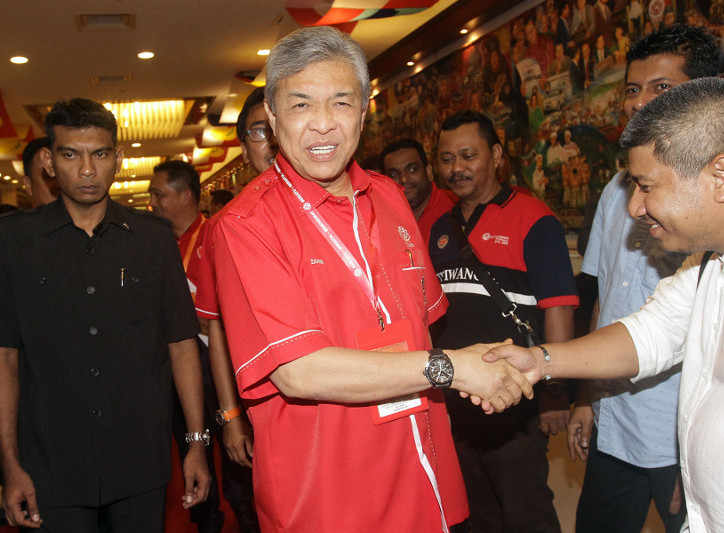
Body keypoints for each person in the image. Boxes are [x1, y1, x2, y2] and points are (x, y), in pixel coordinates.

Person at [209, 26, 529, 533]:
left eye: (340, 102)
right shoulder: (244, 227)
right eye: (300, 106)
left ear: (363, 111)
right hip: (331, 502)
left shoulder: (389, 197)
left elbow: (424, 327)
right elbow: (300, 372)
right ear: (271, 118)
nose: (322, 126)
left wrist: (483, 367)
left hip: (428, 479)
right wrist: (454, 369)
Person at [484, 76, 724, 533]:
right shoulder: (708, 259)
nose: (636, 207)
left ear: (721, 177)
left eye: (646, 185)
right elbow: (651, 333)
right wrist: (540, 361)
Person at [0, 98, 210, 531]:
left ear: (118, 159)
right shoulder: (13, 243)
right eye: (71, 154)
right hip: (50, 464)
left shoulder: (153, 240)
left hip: (140, 462)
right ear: (49, 161)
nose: (87, 169)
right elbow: (1, 358)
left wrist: (197, 443)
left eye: (99, 154)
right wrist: (9, 466)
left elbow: (181, 344)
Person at [570, 24, 721, 533]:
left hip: (682, 433)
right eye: (633, 89)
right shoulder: (617, 191)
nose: (641, 103)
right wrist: (584, 398)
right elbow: (605, 298)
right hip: (616, 421)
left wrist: (704, 456)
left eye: (662, 88)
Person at [428, 110, 578, 532]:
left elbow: (559, 307)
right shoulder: (441, 227)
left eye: (467, 155)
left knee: (525, 511)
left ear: (495, 155)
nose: (456, 168)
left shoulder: (535, 219)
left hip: (514, 399)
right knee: (474, 515)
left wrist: (554, 393)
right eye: (446, 158)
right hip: (456, 398)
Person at [194, 86, 280, 533]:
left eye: (279, 122)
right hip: (268, 407)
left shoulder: (348, 204)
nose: (273, 140)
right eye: (259, 131)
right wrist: (230, 416)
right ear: (246, 148)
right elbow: (216, 330)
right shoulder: (227, 227)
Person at [148, 160, 227, 533]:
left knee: (228, 446)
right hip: (173, 364)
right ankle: (203, 514)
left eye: (159, 195)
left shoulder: (215, 236)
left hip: (215, 363)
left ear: (185, 196)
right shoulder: (155, 244)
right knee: (189, 444)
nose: (153, 203)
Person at [381, 138, 456, 243]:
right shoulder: (382, 219)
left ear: (429, 171)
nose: (403, 179)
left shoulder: (456, 206)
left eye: (412, 169)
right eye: (394, 174)